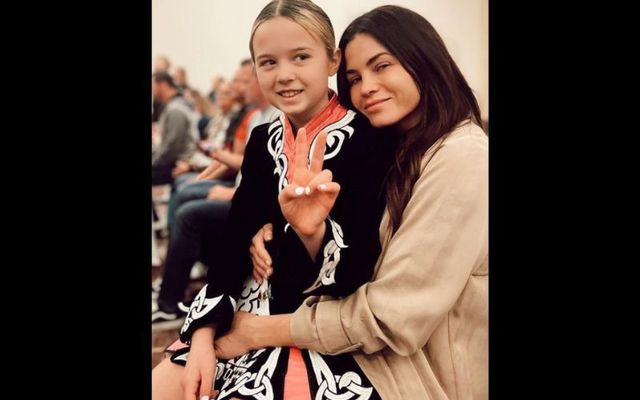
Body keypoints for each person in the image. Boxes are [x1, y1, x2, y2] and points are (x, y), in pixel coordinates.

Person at [216, 5, 488, 400]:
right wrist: (276, 227)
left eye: (383, 66)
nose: (367, 88)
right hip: (366, 348)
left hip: (413, 372)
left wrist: (258, 331)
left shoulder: (462, 157)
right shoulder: (404, 145)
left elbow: (390, 315)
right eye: (355, 78)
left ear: (424, 59)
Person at [152, 1, 399, 399]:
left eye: (301, 57)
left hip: (321, 332)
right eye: (268, 62)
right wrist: (201, 338)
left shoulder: (370, 140)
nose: (285, 75)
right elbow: (234, 241)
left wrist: (310, 232)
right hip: (243, 311)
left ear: (332, 60)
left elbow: (357, 272)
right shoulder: (261, 142)